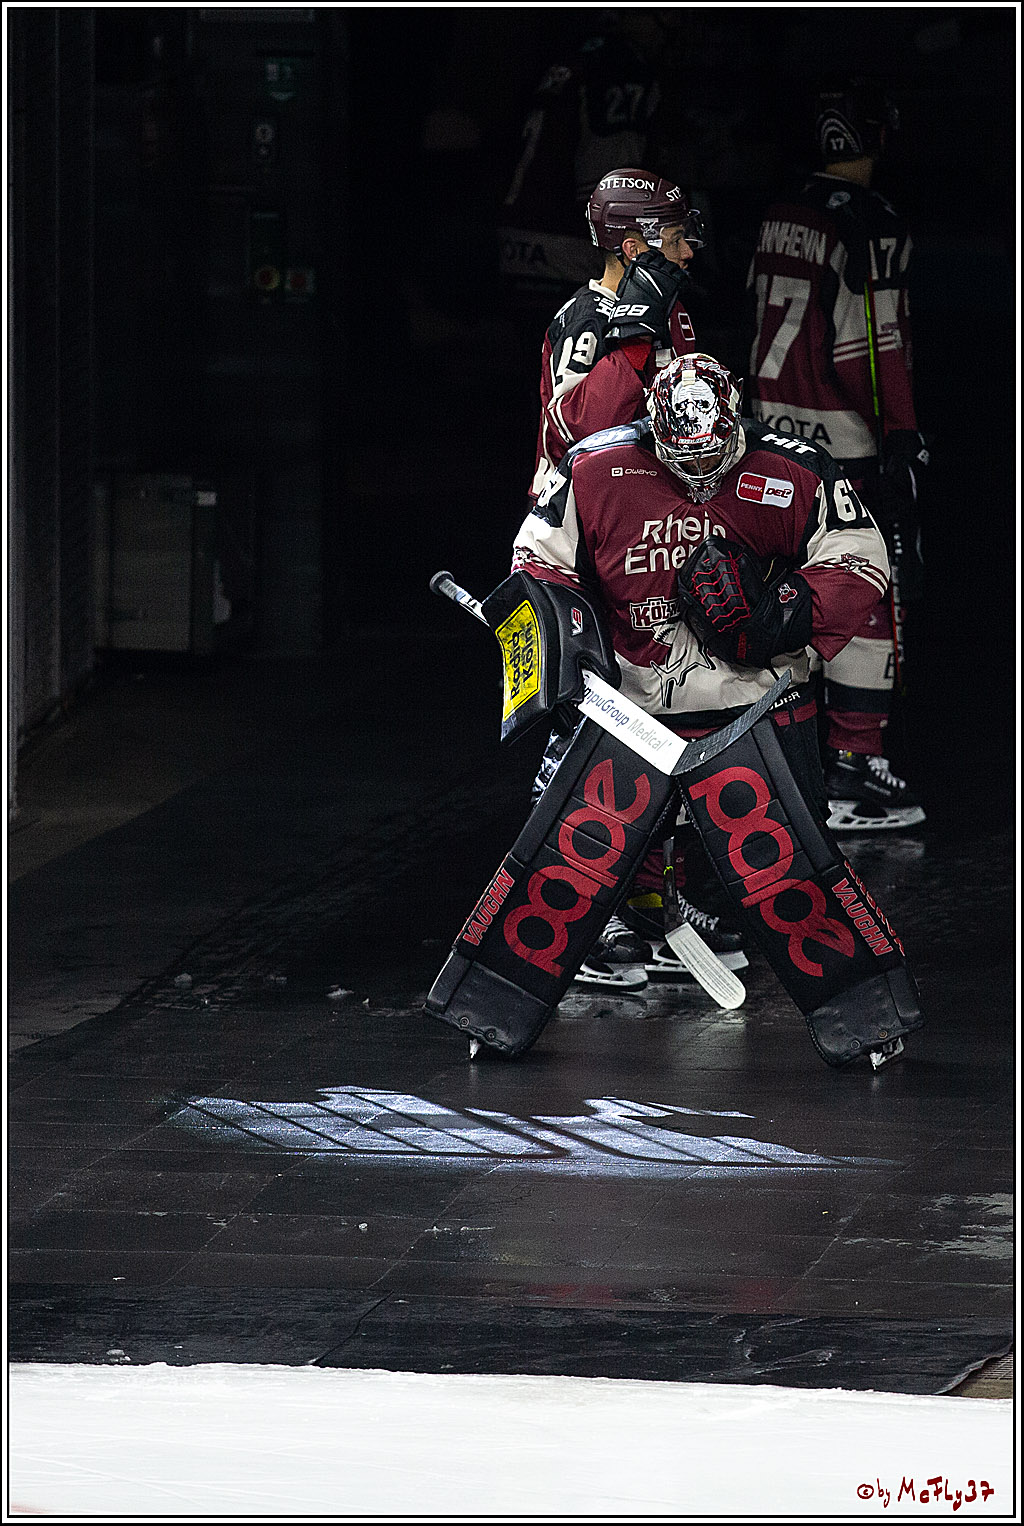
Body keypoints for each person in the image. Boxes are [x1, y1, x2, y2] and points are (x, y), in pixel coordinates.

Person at [512, 353, 891, 981]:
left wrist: (783, 612)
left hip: (759, 709)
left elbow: (862, 556)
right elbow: (534, 561)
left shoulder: (795, 471)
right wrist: (569, 651)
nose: (697, 482)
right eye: (681, 466)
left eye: (712, 465)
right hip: (633, 709)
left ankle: (845, 986)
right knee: (589, 840)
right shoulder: (592, 467)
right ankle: (619, 922)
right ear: (654, 431)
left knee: (793, 864)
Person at [745, 78, 927, 832]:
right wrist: (902, 438)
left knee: (774, 593)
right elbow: (874, 349)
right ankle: (853, 768)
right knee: (871, 591)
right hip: (846, 445)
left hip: (767, 440)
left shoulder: (780, 211)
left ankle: (771, 766)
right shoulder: (872, 223)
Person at [528, 167, 704, 506]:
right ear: (634, 249)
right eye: (675, 240)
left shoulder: (674, 310)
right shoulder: (585, 318)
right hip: (577, 510)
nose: (687, 252)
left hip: (648, 498)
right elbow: (576, 430)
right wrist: (634, 342)